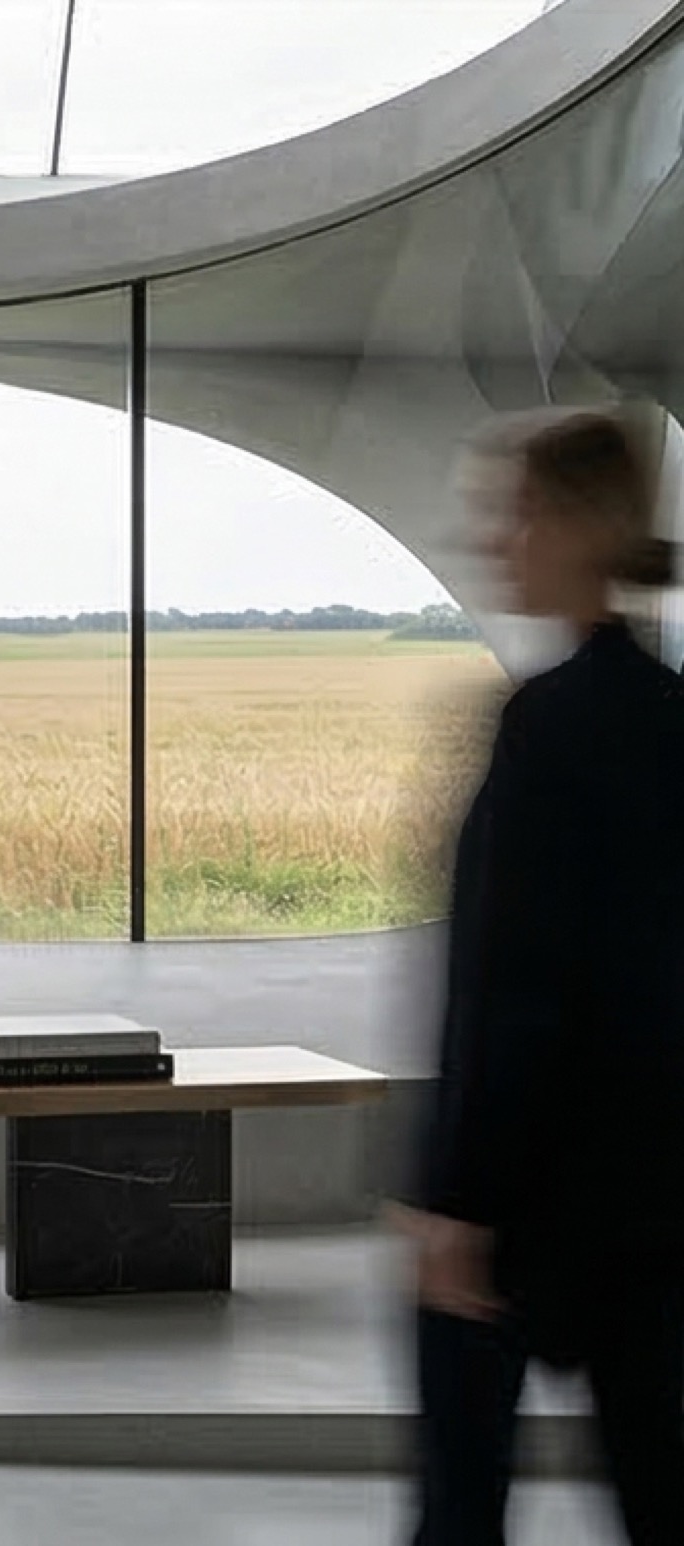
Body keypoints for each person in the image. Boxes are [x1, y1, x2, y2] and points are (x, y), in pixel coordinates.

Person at [404, 407, 684, 1545]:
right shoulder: (672, 717)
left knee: (461, 1508)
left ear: (580, 525)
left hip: (527, 1198)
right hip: (660, 1192)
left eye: (515, 511)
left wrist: (458, 1201)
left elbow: (508, 989)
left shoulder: (547, 728)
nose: (494, 538)